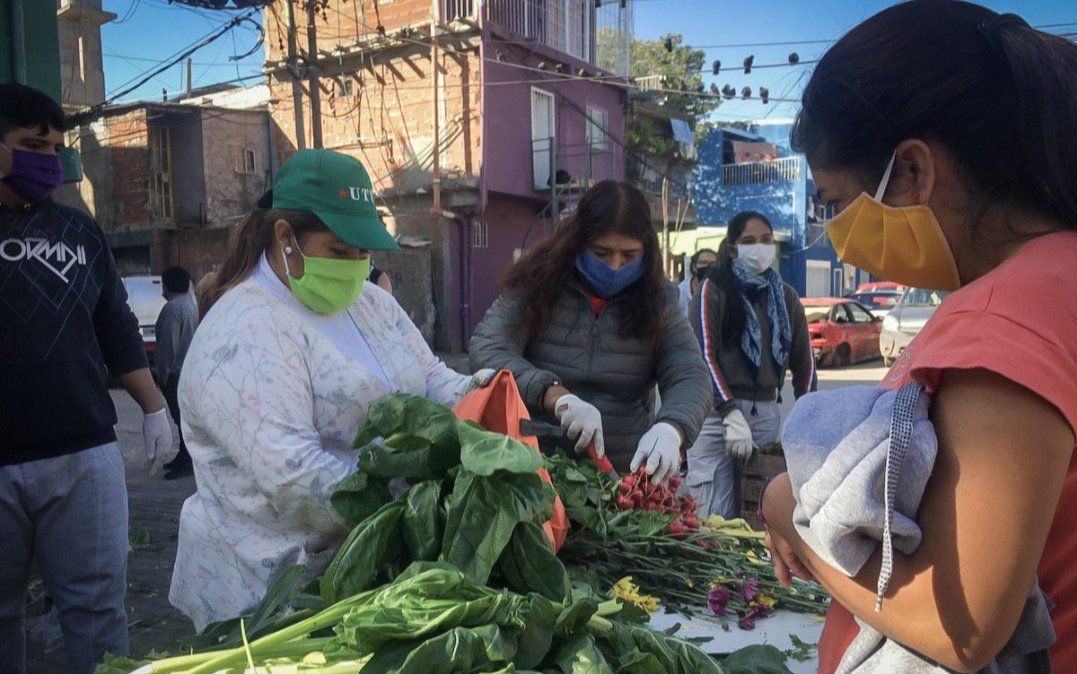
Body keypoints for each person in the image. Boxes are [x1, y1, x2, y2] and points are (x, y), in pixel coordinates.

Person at [757, 3, 1077, 672]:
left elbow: (955, 622)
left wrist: (789, 511)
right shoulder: (1056, 278)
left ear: (910, 172)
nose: (835, 231)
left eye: (836, 201)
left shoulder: (1007, 313)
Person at [169, 149, 493, 631]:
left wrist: (491, 394)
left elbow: (428, 377)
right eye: (341, 253)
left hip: (364, 571)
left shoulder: (370, 305)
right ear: (286, 237)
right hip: (269, 594)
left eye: (364, 253)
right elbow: (296, 477)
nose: (357, 266)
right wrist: (423, 502)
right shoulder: (243, 332)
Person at [0, 83, 171, 674]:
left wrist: (153, 409)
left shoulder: (81, 231)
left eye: (53, 148)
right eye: (29, 146)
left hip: (84, 456)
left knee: (98, 617)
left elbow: (116, 327)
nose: (45, 161)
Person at [469, 180, 712, 481]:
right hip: (534, 469)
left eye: (629, 255)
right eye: (601, 252)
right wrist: (554, 395)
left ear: (647, 252)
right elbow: (487, 348)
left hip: (619, 477)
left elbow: (690, 374)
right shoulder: (535, 285)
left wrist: (672, 427)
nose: (615, 266)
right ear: (577, 242)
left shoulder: (661, 302)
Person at [687, 211, 816, 519]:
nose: (759, 248)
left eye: (766, 240)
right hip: (715, 417)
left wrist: (808, 413)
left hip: (764, 416)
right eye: (748, 241)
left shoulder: (786, 297)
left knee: (762, 514)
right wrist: (729, 412)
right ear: (732, 250)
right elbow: (704, 356)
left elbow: (804, 362)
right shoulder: (711, 291)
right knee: (712, 516)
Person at [155, 265, 199, 480]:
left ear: (167, 285)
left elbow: (168, 343)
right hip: (189, 370)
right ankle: (184, 456)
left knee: (179, 417)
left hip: (175, 373)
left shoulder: (173, 308)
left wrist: (162, 371)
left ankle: (187, 459)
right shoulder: (191, 305)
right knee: (183, 418)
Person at [677, 247, 718, 317]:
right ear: (694, 267)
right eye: (703, 262)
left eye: (712, 264)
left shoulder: (720, 291)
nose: (707, 266)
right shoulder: (680, 291)